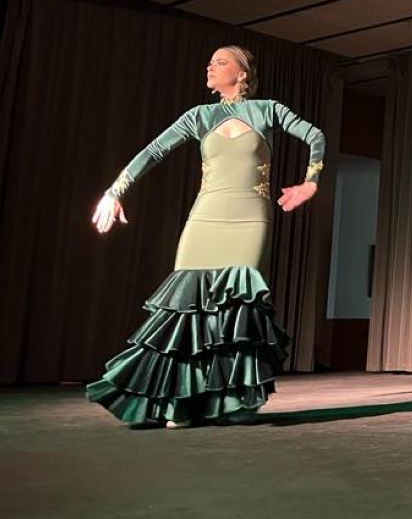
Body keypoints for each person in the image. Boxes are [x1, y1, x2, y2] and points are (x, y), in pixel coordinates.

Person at [86, 45, 325, 428]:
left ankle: (226, 401)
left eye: (220, 61)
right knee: (187, 311)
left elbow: (314, 135)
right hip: (204, 218)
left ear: (242, 72)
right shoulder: (199, 116)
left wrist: (310, 182)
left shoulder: (267, 109)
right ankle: (177, 403)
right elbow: (152, 151)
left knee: (234, 308)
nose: (210, 67)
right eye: (210, 62)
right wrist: (115, 190)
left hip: (249, 219)